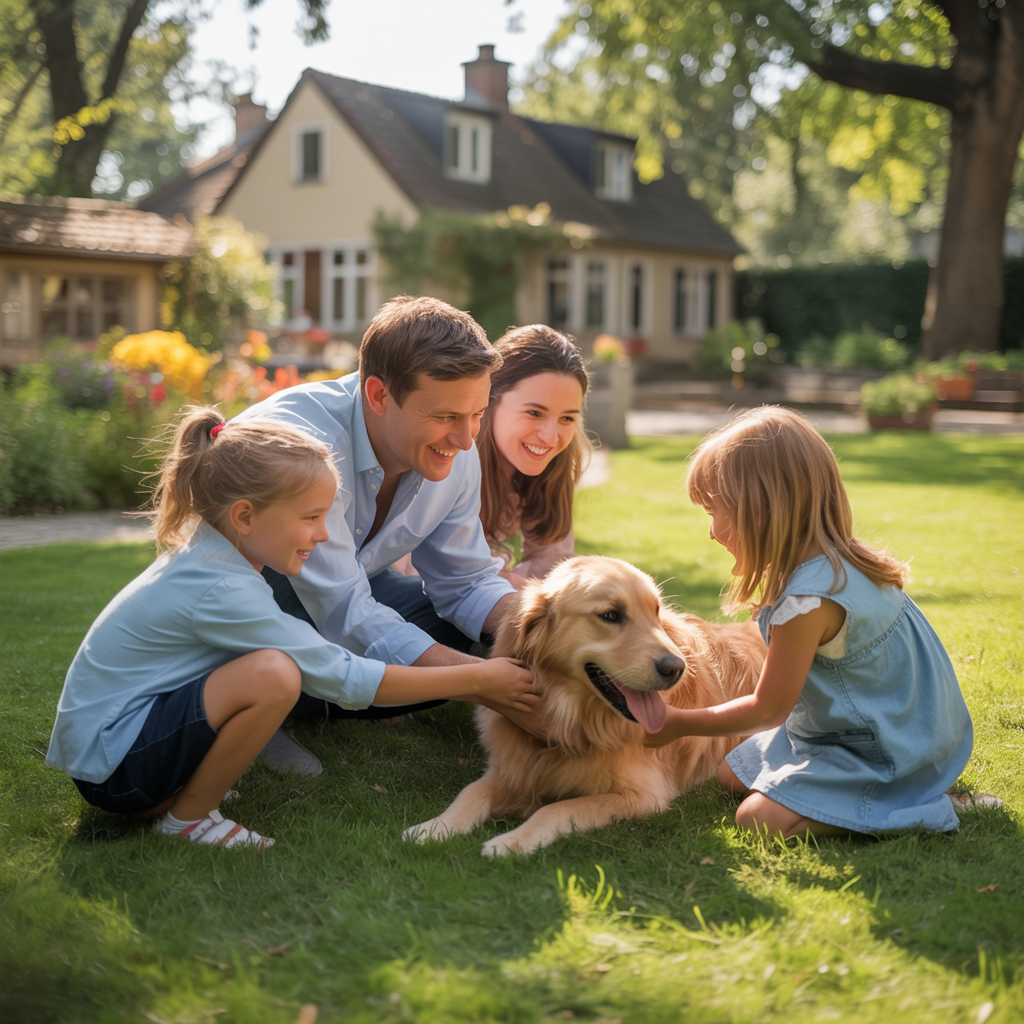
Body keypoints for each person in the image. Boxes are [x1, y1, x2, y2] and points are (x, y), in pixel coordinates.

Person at [45, 409, 534, 849]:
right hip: (114, 769)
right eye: (312, 517)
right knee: (275, 674)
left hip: (115, 751)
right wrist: (477, 679)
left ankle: (175, 793)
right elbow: (342, 677)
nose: (323, 534)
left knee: (270, 664)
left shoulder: (215, 557)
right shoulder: (222, 587)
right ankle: (188, 820)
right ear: (245, 516)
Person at [644, 406, 974, 839]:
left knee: (757, 818)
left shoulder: (809, 602)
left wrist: (677, 723)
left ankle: (918, 805)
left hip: (883, 750)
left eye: (714, 512)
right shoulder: (840, 565)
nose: (712, 531)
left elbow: (767, 710)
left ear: (759, 510)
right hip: (882, 729)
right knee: (730, 774)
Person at [232, 295, 543, 745]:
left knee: (461, 633)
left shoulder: (457, 449)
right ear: (378, 395)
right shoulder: (303, 448)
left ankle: (328, 691)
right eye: (445, 416)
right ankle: (254, 698)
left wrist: (552, 632)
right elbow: (346, 610)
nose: (465, 440)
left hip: (352, 593)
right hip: (250, 611)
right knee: (436, 657)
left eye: (477, 415)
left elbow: (467, 582)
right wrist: (485, 684)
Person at [477, 325, 590, 581]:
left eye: (567, 418)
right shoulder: (447, 468)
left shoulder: (550, 472)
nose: (550, 437)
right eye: (534, 413)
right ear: (488, 400)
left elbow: (553, 564)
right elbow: (429, 579)